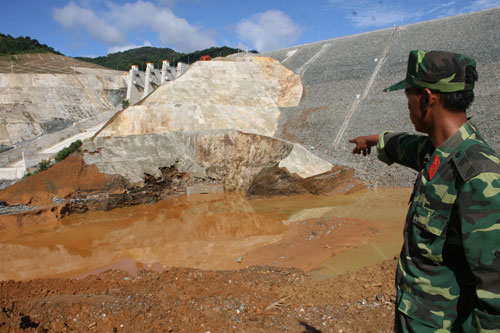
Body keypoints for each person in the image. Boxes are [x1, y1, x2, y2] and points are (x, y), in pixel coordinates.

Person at [349, 50, 500, 332]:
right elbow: (402, 145)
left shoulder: (478, 176)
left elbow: (495, 299)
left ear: (428, 98)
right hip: (417, 316)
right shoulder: (440, 150)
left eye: (408, 96)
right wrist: (370, 140)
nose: (407, 106)